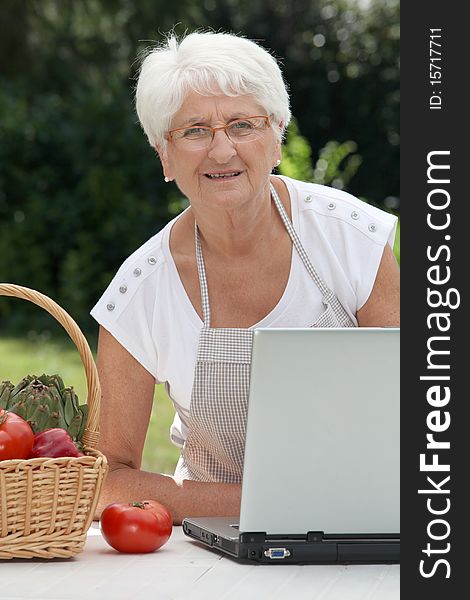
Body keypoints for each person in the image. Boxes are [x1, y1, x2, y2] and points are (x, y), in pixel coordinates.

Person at [90, 31, 400, 523]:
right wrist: (266, 505)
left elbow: (420, 405)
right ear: (163, 155)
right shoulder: (140, 292)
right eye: (193, 130)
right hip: (215, 538)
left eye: (242, 125)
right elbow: (108, 475)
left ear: (276, 136)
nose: (220, 151)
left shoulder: (351, 238)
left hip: (364, 517)